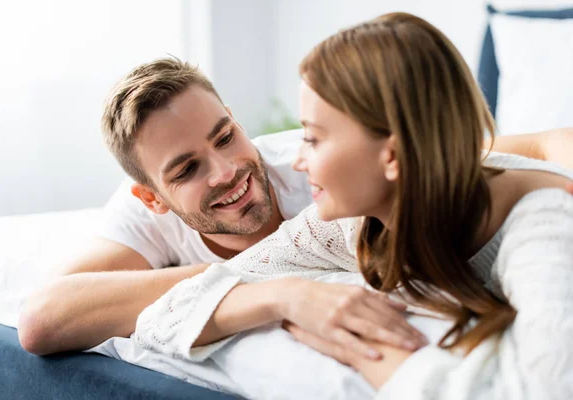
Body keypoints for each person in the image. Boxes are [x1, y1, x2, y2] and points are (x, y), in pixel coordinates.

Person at [132, 13, 573, 399]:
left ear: (393, 158)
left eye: (313, 137)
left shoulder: (546, 229)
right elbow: (162, 319)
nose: (297, 159)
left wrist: (372, 354)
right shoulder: (356, 225)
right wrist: (286, 297)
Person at [18, 56, 573, 356]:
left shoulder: (325, 169)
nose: (228, 171)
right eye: (187, 170)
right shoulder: (139, 215)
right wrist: (266, 287)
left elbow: (545, 144)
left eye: (225, 136)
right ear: (151, 198)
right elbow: (42, 318)